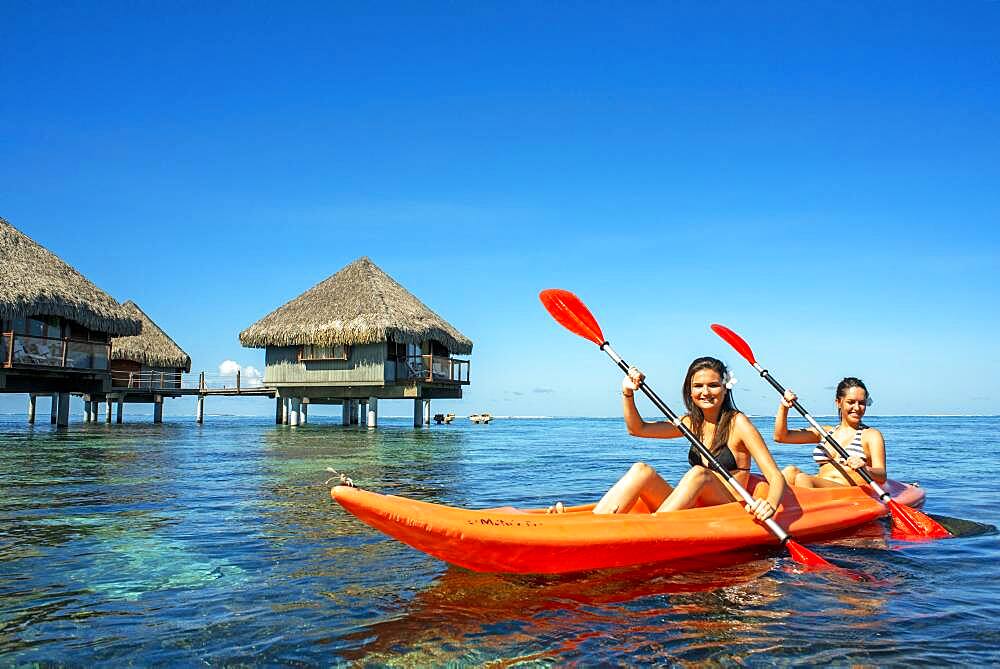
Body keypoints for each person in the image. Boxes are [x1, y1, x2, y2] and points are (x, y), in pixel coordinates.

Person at [568, 356, 785, 520]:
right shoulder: (690, 423)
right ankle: (596, 523)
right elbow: (638, 429)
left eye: (713, 385)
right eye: (698, 386)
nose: (706, 392)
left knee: (700, 473)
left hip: (728, 507)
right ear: (689, 391)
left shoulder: (739, 423)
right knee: (641, 470)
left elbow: (775, 476)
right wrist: (628, 392)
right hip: (697, 508)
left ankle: (652, 530)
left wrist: (771, 504)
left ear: (725, 388)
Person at [774, 377, 886, 488]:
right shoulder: (825, 432)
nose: (856, 408)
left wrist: (866, 469)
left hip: (848, 493)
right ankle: (769, 503)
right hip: (823, 488)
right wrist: (784, 407)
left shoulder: (871, 435)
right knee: (790, 471)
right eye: (851, 402)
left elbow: (882, 474)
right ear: (838, 402)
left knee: (802, 478)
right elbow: (781, 437)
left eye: (861, 403)